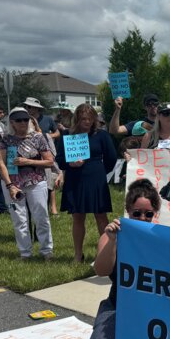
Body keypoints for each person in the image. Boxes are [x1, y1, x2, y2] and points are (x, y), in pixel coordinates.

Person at [87, 179, 161, 339]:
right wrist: (113, 241)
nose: (143, 218)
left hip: (150, 308)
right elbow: (101, 270)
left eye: (148, 214)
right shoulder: (112, 235)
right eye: (137, 213)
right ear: (128, 211)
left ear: (155, 214)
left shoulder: (161, 238)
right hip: (118, 304)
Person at [55, 104, 118, 263]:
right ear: (77, 118)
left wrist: (100, 171)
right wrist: (70, 164)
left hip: (96, 179)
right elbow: (60, 159)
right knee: (77, 217)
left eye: (90, 119)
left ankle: (105, 251)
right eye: (83, 119)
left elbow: (111, 158)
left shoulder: (101, 135)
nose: (87, 122)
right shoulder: (67, 135)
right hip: (75, 179)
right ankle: (78, 254)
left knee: (101, 215)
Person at [0, 107, 55, 260]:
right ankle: (25, 253)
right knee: (19, 219)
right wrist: (9, 186)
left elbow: (50, 161)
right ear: (12, 123)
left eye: (26, 119)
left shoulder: (37, 137)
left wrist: (27, 161)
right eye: (19, 120)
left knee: (41, 217)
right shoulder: (4, 137)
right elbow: (1, 162)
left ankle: (46, 251)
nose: (23, 123)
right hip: (13, 184)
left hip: (36, 181)